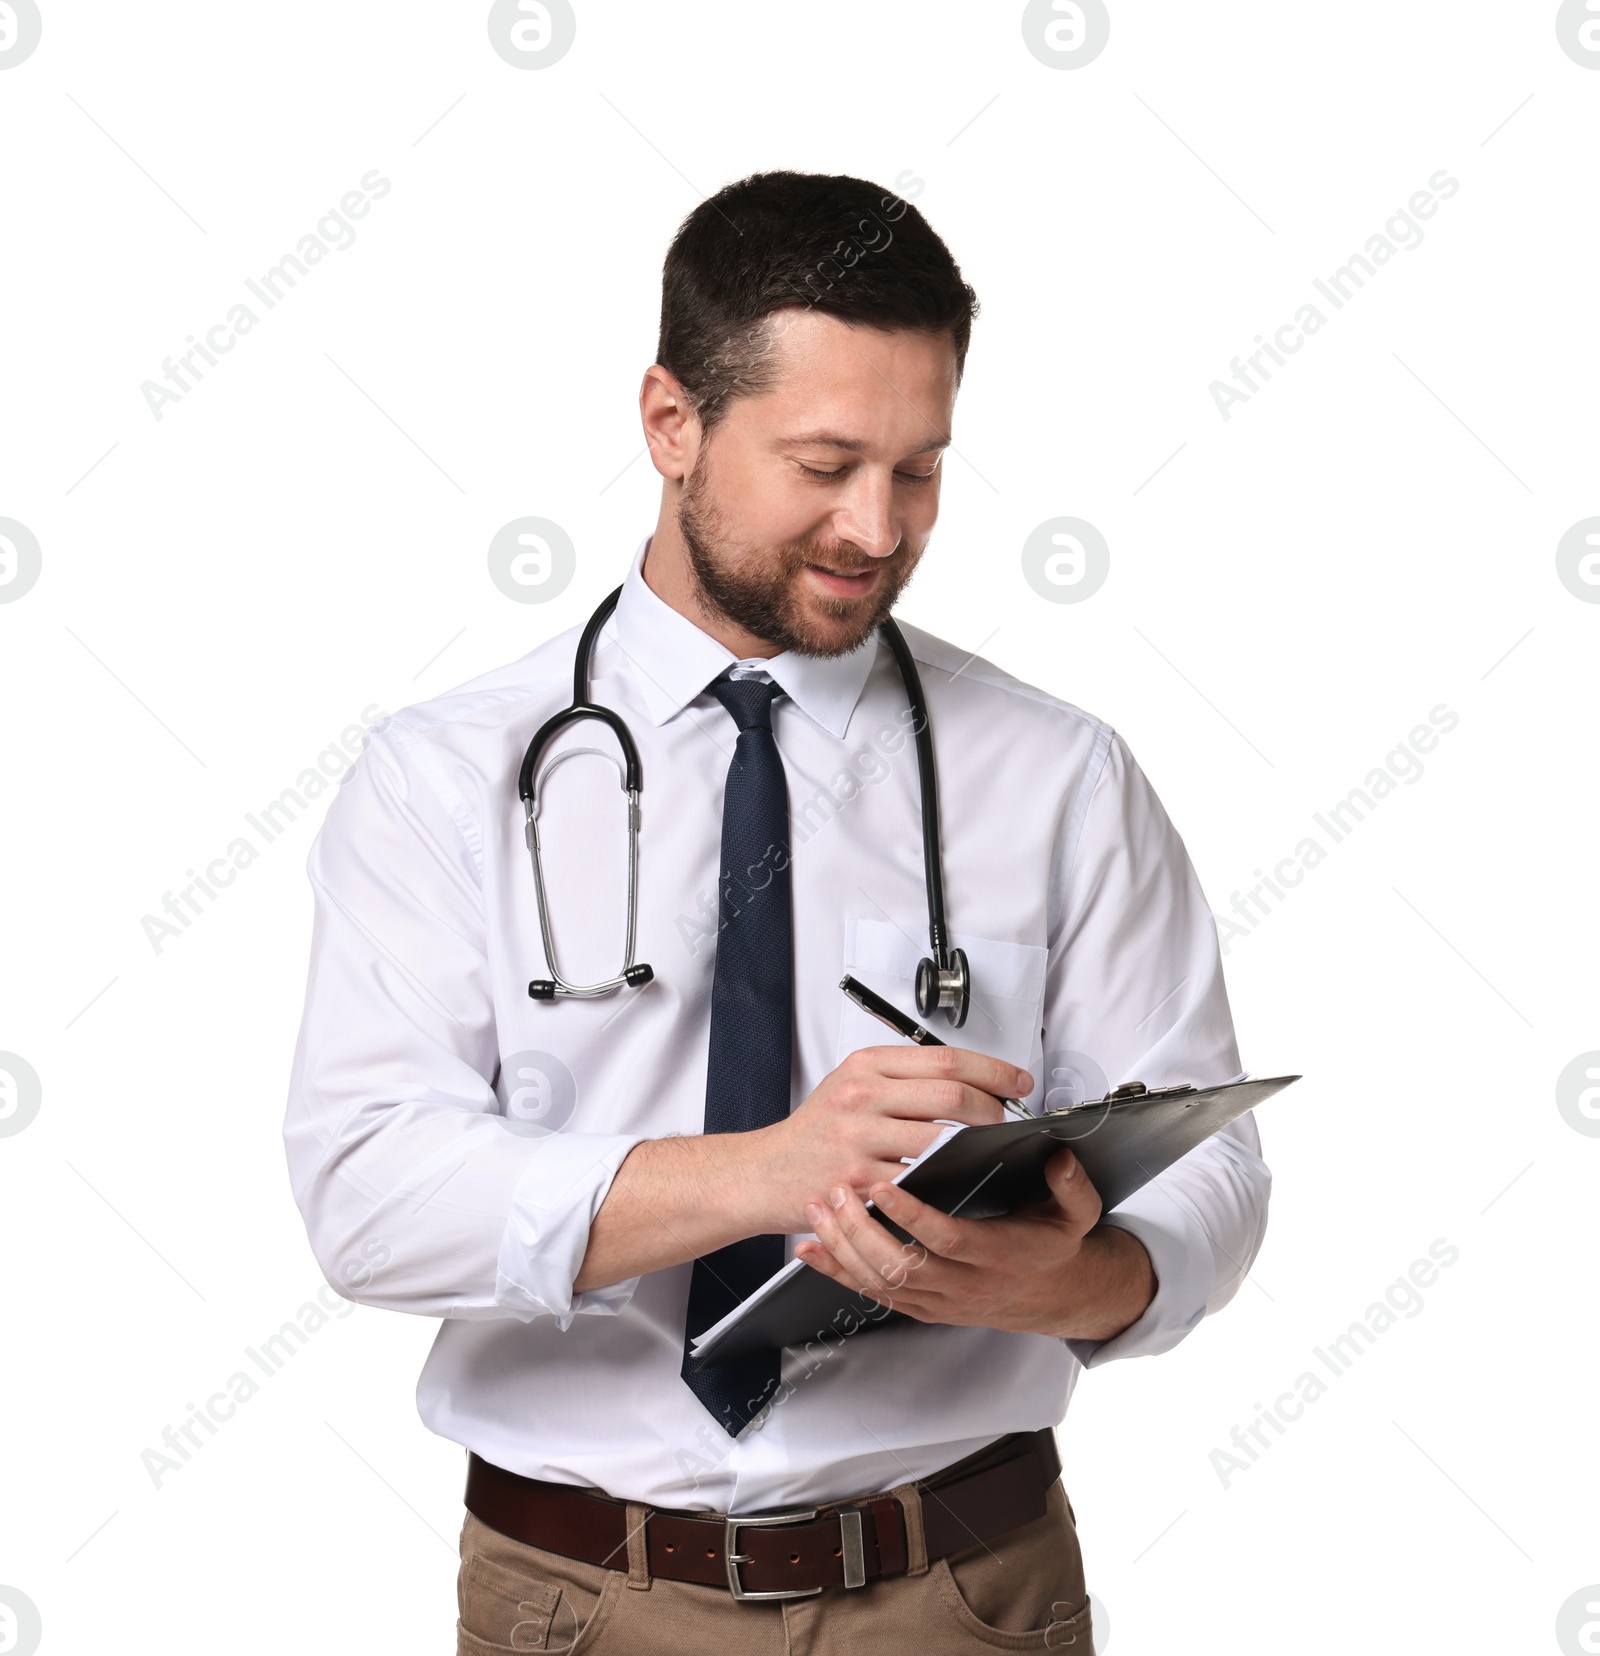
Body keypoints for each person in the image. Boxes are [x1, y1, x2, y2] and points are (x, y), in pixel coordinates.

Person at [284, 169, 1270, 1653]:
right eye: (823, 463)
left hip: (964, 1590)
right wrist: (768, 1174)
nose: (876, 527)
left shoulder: (1058, 774)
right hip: (584, 1600)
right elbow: (370, 1201)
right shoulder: (442, 778)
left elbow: (1215, 1165)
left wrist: (1090, 1277)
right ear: (670, 423)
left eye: (919, 467)